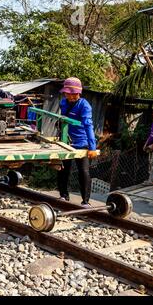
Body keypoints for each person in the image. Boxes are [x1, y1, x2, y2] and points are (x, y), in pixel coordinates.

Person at [57, 77, 98, 207]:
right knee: (63, 169)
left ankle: (86, 201)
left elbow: (88, 126)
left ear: (78, 93)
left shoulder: (84, 106)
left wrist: (92, 147)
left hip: (82, 142)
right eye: (68, 93)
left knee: (84, 171)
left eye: (72, 93)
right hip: (66, 141)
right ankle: (63, 196)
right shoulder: (63, 103)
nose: (70, 95)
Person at [143, 111, 153, 184]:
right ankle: (150, 179)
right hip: (150, 147)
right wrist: (145, 144)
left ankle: (152, 180)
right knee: (150, 163)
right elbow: (151, 135)